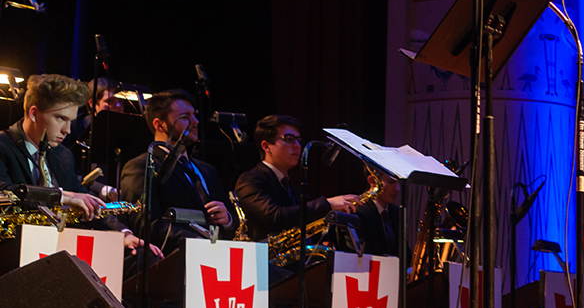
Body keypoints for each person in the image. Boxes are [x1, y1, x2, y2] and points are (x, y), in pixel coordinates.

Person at [0, 74, 160, 257]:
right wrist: (62, 196)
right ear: (33, 113)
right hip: (13, 249)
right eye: (60, 118)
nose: (67, 130)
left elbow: (84, 197)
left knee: (139, 257)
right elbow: (5, 192)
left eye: (70, 121)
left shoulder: (63, 154)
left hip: (59, 248)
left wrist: (122, 234)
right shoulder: (3, 145)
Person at [120, 89, 236, 255]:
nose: (195, 121)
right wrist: (198, 242)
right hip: (174, 262)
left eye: (194, 115)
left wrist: (228, 221)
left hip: (220, 257)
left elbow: (232, 221)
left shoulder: (207, 170)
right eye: (186, 116)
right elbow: (147, 226)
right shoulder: (140, 166)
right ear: (160, 125)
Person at [233, 114, 360, 242]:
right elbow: (275, 216)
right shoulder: (250, 180)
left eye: (299, 140)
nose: (297, 145)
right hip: (259, 258)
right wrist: (328, 204)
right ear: (266, 146)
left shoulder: (287, 185)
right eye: (289, 139)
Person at [353, 168, 402, 257]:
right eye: (391, 182)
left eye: (399, 183)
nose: (398, 189)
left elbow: (404, 253)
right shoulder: (359, 213)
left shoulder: (396, 212)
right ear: (372, 181)